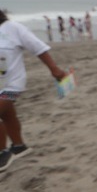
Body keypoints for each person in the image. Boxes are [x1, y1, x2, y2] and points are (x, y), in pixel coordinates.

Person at [0, 10, 67, 172]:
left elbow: (38, 48)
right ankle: (19, 146)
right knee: (7, 114)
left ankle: (2, 152)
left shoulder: (13, 28)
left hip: (12, 85)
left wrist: (54, 69)